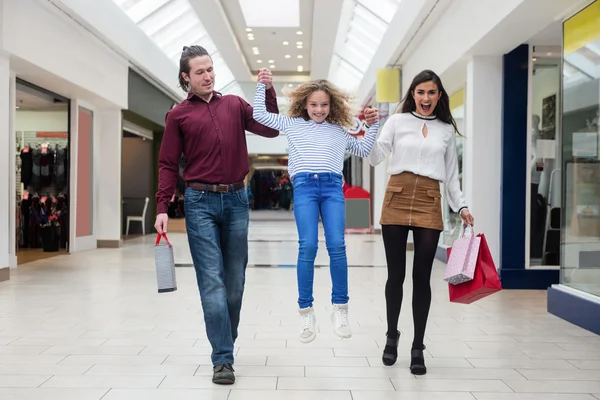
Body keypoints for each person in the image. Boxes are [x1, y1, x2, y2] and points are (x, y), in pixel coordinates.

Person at [154, 45, 280, 385]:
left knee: (234, 283)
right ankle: (222, 358)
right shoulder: (178, 115)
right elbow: (167, 164)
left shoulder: (235, 105)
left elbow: (271, 129)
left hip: (237, 199)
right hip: (199, 203)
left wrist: (269, 93)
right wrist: (162, 206)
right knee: (212, 281)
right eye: (200, 72)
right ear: (186, 77)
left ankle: (225, 338)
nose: (208, 76)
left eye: (210, 69)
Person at [253, 72, 380, 343]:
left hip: (333, 188)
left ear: (332, 105)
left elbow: (363, 150)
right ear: (304, 105)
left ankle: (340, 309)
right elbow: (260, 115)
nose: (319, 110)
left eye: (324, 105)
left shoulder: (338, 131)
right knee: (307, 246)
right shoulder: (293, 124)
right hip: (305, 189)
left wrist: (372, 127)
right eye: (314, 105)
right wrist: (262, 86)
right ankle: (306, 312)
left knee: (337, 245)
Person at [368, 69, 474, 375]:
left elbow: (452, 176)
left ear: (439, 96)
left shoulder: (445, 130)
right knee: (396, 275)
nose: (425, 98)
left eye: (431, 92)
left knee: (422, 278)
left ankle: (417, 347)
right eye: (420, 92)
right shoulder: (397, 121)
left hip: (430, 199)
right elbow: (375, 159)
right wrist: (371, 129)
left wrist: (462, 206)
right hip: (397, 197)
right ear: (412, 94)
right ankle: (391, 337)